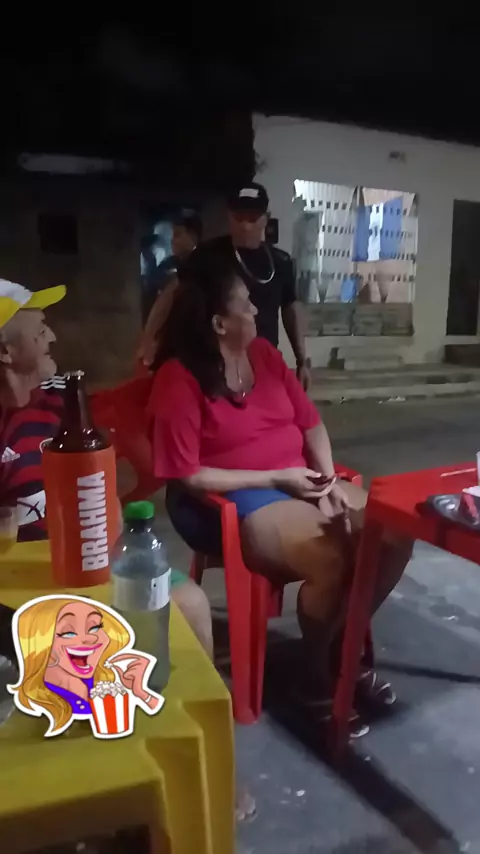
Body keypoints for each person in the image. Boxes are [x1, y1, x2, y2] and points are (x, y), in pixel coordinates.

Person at [147, 253, 413, 736]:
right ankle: (314, 674)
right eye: (246, 304)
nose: (256, 310)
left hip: (298, 478)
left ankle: (341, 651)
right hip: (231, 497)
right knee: (330, 553)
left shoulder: (265, 356)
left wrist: (328, 482)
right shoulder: (178, 379)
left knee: (394, 531)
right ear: (218, 322)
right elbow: (188, 476)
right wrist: (276, 479)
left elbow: (311, 424)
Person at [0, 279, 212, 663]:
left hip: (90, 561)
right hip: (21, 579)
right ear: (5, 351)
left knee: (190, 602)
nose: (52, 337)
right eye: (40, 330)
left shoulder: (62, 399)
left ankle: (180, 700)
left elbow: (102, 484)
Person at [139, 213, 202, 367]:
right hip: (166, 339)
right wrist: (149, 337)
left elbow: (165, 301)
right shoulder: (167, 265)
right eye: (173, 235)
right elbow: (156, 301)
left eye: (178, 235)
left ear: (193, 237)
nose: (173, 240)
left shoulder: (204, 265)